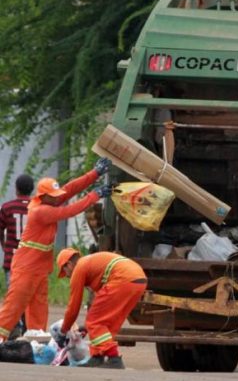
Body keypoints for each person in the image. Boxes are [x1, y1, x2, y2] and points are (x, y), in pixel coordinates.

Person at [0, 158, 112, 341]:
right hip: (26, 266)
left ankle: (35, 337)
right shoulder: (40, 211)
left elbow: (70, 188)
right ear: (43, 196)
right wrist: (94, 195)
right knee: (15, 303)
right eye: (53, 195)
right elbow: (69, 211)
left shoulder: (48, 200)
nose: (57, 197)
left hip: (39, 266)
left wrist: (95, 173)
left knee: (39, 304)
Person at [54, 249, 147, 369]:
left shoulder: (79, 268)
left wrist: (63, 330)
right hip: (138, 280)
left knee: (95, 321)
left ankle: (114, 359)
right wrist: (88, 328)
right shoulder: (91, 264)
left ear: (69, 264)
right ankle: (97, 357)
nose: (66, 275)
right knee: (107, 323)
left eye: (64, 270)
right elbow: (98, 304)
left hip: (123, 279)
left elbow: (73, 307)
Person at [0, 174, 34, 338]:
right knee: (29, 296)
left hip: (12, 259)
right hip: (32, 261)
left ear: (16, 188)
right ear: (32, 189)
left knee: (13, 296)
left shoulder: (7, 208)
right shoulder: (37, 206)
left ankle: (13, 332)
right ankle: (29, 330)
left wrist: (5, 246)